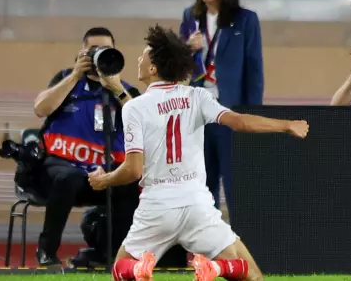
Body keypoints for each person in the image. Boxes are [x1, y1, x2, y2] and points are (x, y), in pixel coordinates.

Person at [87, 25, 308, 281]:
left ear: (153, 69)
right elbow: (239, 122)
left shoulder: (134, 108)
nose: (138, 58)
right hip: (197, 206)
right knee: (254, 277)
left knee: (120, 270)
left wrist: (106, 180)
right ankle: (219, 268)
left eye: (143, 56)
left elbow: (134, 170)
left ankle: (138, 269)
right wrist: (286, 125)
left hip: (157, 207)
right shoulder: (197, 96)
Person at [32, 27, 142, 266]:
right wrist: (74, 76)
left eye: (105, 49)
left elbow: (146, 123)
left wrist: (116, 88)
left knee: (132, 184)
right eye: (93, 49)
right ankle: (47, 251)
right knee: (67, 178)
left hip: (107, 172)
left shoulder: (125, 89)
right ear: (83, 52)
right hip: (64, 168)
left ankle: (113, 254)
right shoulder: (65, 78)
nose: (98, 54)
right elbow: (41, 109)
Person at [179, 0, 264, 220]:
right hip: (197, 114)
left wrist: (250, 116)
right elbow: (178, 68)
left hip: (230, 112)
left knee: (236, 183)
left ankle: (243, 249)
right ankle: (207, 249)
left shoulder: (245, 20)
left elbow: (254, 69)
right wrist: (186, 49)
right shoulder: (190, 17)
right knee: (203, 185)